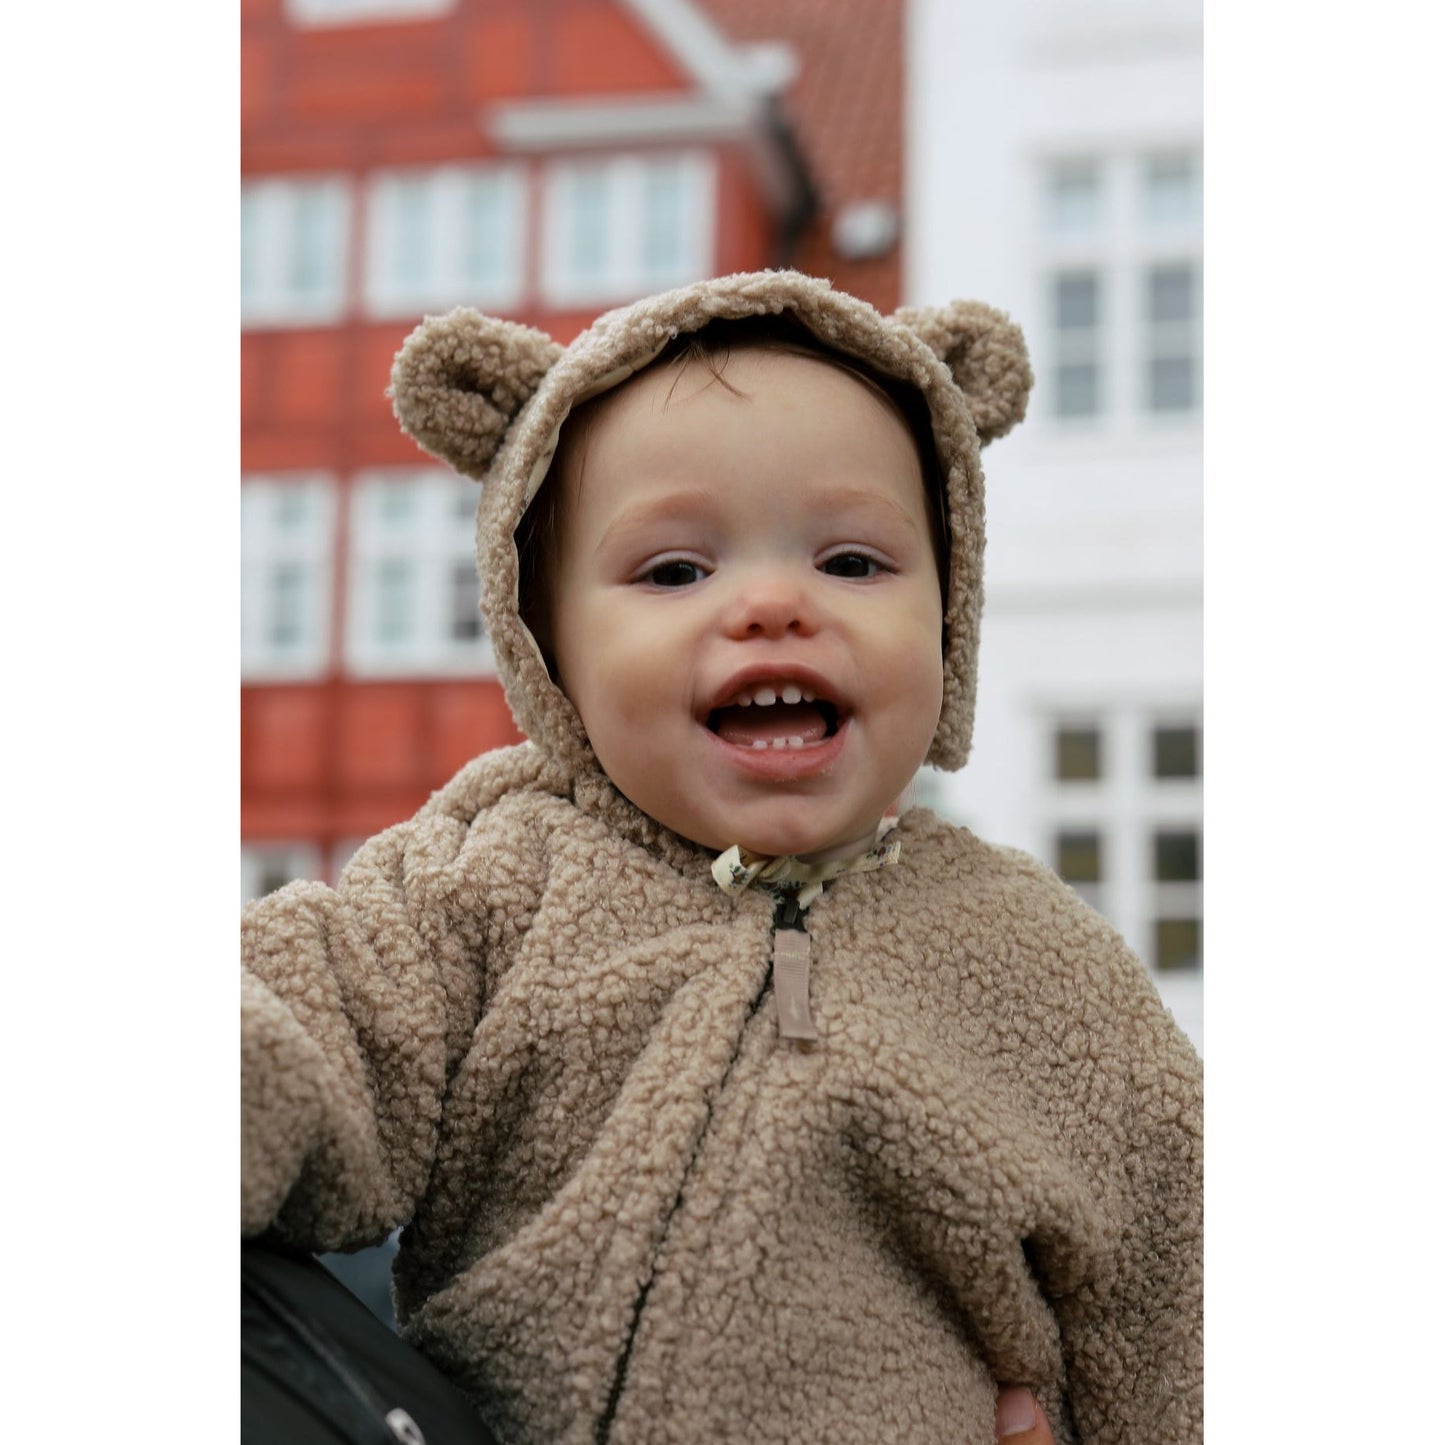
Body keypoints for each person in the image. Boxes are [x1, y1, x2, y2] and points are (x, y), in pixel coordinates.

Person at [242, 271, 1202, 1443]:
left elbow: (1179, 1306)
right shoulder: (480, 885)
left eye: (851, 562)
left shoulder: (1045, 975)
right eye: (673, 571)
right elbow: (297, 1022)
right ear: (549, 648)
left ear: (948, 620)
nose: (771, 604)